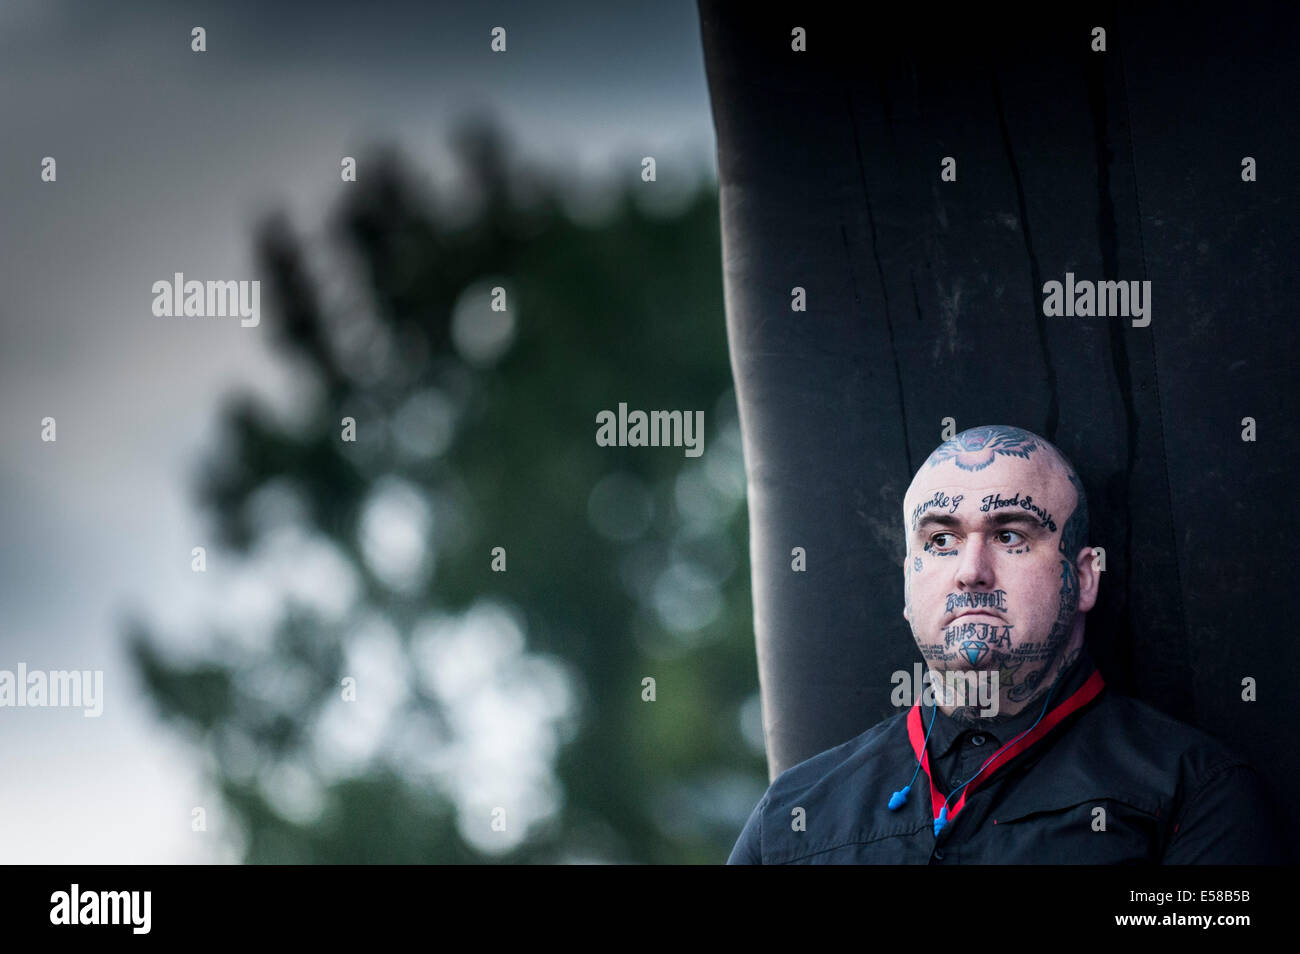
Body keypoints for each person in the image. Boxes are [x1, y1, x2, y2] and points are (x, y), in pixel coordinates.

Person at [728, 424, 1281, 864]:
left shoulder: (1194, 793)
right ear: (907, 582)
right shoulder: (793, 817)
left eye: (1010, 535)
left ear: (1084, 578)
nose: (971, 571)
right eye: (941, 540)